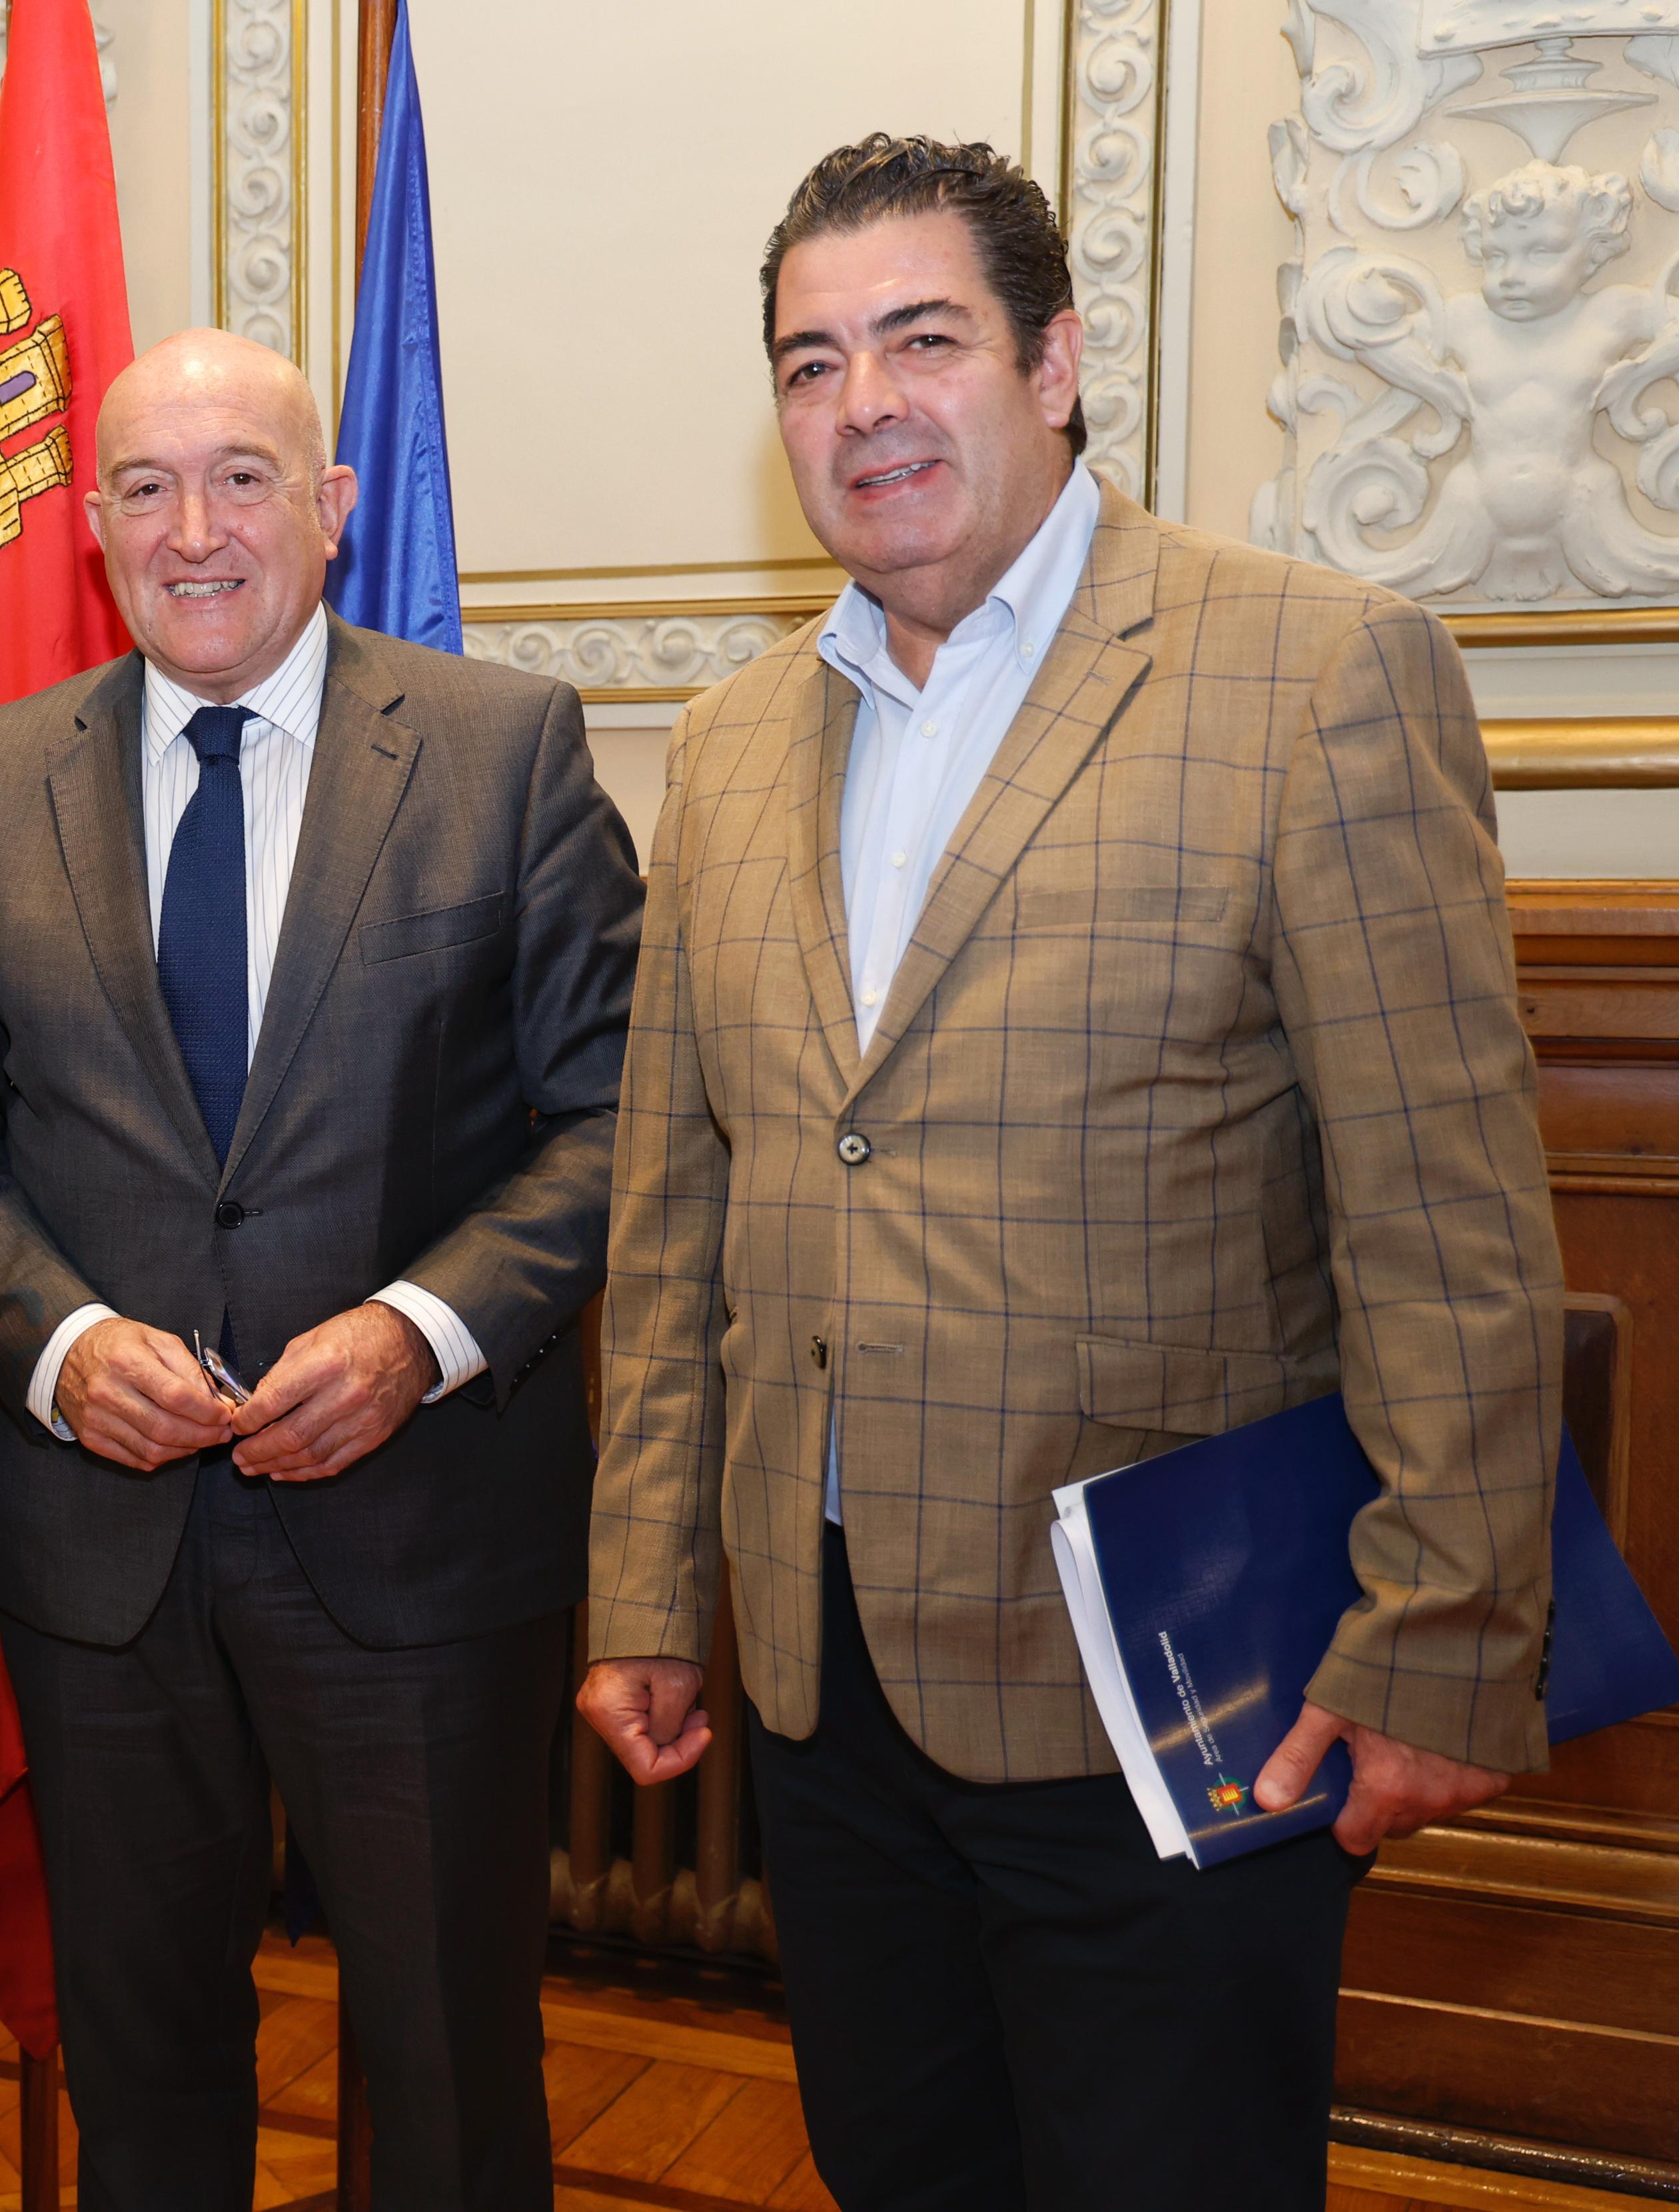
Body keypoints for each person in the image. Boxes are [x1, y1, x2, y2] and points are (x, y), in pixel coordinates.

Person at [579, 135, 1562, 2211]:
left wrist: (1448, 1636)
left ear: (1055, 363)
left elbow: (1445, 1222)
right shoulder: (730, 747)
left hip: (1183, 1681)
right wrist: (652, 1586)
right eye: (812, 364)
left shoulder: (1314, 674)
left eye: (922, 340)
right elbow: (679, 1226)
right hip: (828, 1691)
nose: (865, 404)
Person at [0, 329, 644, 2208]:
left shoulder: (504, 749)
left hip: (420, 1533)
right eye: (145, 487)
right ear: (94, 526)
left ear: (333, 507)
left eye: (242, 478)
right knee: (144, 2083)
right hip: (104, 1551)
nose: (194, 529)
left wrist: (418, 1332)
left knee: (451, 2081)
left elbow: (618, 1117)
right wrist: (59, 1343)